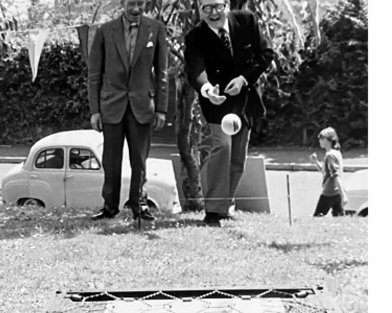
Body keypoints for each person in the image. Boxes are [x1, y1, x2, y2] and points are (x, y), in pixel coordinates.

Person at [184, 0, 274, 226]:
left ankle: (225, 206)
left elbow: (265, 55)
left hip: (244, 98)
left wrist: (244, 79)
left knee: (238, 158)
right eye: (207, 8)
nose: (213, 13)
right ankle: (213, 211)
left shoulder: (246, 20)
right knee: (222, 146)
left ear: (226, 5)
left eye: (217, 6)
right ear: (199, 9)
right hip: (217, 101)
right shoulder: (195, 36)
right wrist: (206, 89)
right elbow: (195, 69)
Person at [87, 0, 168, 221]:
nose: (136, 8)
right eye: (131, 3)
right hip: (111, 105)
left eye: (140, 4)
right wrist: (95, 110)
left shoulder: (156, 28)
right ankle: (109, 206)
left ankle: (139, 204)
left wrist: (161, 109)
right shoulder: (105, 31)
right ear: (122, 3)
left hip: (142, 106)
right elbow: (94, 74)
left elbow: (162, 72)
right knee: (111, 160)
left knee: (140, 160)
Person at [310, 127, 349, 217]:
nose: (319, 140)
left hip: (329, 193)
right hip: (336, 193)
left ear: (328, 140)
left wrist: (343, 195)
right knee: (339, 218)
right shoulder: (336, 153)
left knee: (317, 217)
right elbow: (326, 173)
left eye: (321, 138)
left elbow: (336, 175)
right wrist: (316, 161)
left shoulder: (330, 155)